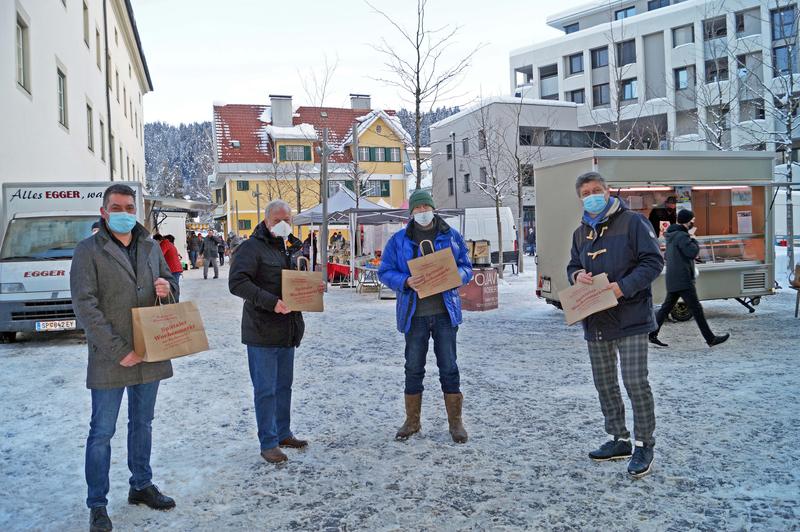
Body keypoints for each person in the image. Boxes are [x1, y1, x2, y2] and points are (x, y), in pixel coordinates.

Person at [70, 184, 179, 532]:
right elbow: (85, 307)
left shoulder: (150, 246)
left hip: (151, 350)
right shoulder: (88, 251)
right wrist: (120, 350)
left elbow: (171, 289)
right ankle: (97, 504)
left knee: (142, 424)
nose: (123, 212)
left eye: (129, 207)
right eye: (116, 207)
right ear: (104, 212)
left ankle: (141, 484)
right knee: (101, 432)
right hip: (110, 357)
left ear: (137, 211)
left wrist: (167, 288)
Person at [567, 172, 664, 479]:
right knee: (605, 383)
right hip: (596, 319)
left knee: (635, 382)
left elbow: (653, 262)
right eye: (586, 192)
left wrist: (623, 287)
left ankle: (644, 444)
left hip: (631, 316)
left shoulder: (633, 223)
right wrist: (577, 276)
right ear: (580, 197)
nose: (592, 195)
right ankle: (619, 438)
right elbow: (572, 265)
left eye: (597, 190)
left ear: (607, 192)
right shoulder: (580, 233)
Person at [378, 189, 473, 444]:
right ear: (411, 213)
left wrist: (456, 277)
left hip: (445, 313)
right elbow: (384, 271)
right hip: (414, 315)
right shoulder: (399, 240)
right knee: (413, 368)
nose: (422, 213)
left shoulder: (450, 236)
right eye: (417, 209)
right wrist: (405, 281)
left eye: (425, 208)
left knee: (449, 368)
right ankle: (412, 421)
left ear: (433, 208)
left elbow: (467, 266)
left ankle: (456, 423)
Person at [229, 199, 318, 464]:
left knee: (284, 386)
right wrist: (270, 302)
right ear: (266, 220)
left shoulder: (291, 247)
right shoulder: (250, 248)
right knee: (265, 389)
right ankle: (268, 442)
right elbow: (237, 283)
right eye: (277, 219)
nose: (283, 224)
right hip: (261, 329)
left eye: (287, 220)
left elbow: (296, 281)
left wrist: (312, 290)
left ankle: (283, 432)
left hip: (288, 329)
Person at [649, 210, 730, 348]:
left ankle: (652, 334)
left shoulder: (671, 235)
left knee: (666, 307)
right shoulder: (682, 236)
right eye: (692, 219)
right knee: (696, 309)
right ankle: (710, 339)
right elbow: (692, 252)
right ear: (687, 221)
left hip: (674, 277)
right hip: (683, 279)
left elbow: (669, 256)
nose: (693, 222)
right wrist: (692, 238)